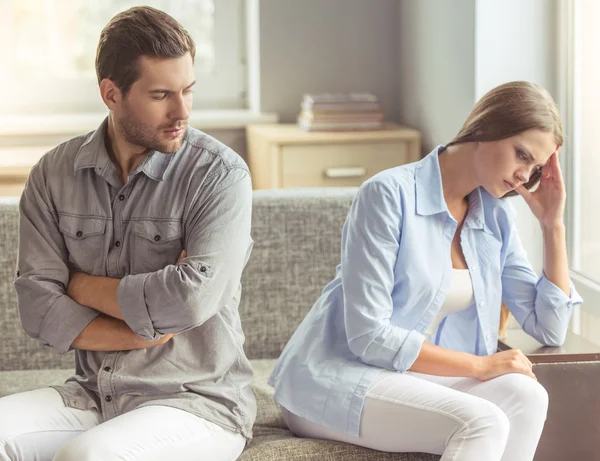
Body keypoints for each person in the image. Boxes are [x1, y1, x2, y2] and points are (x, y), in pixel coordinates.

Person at [268, 81, 583, 461]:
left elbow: (549, 327)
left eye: (533, 168)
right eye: (521, 155)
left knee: (529, 396)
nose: (523, 175)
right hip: (338, 378)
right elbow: (368, 336)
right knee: (485, 421)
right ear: (485, 128)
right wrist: (481, 366)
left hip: (417, 379)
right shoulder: (388, 194)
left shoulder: (496, 216)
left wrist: (553, 225)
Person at [0, 6, 255, 461]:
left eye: (187, 91)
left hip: (195, 404)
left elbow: (190, 301)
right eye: (161, 95)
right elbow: (38, 307)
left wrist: (79, 286)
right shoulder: (54, 174)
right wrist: (142, 332)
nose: (182, 111)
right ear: (111, 93)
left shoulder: (220, 176)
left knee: (86, 457)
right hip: (94, 395)